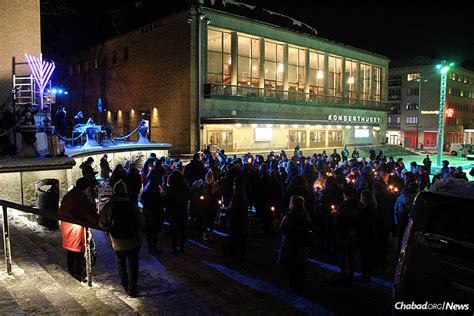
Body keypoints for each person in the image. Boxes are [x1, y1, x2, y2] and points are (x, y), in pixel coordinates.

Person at [99, 180, 145, 297]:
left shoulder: (109, 206)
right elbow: (141, 221)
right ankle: (132, 289)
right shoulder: (131, 205)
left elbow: (101, 222)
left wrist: (109, 228)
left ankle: (125, 285)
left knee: (121, 263)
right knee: (133, 265)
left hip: (117, 241)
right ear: (125, 191)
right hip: (133, 240)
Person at [59, 178, 99, 283]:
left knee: (71, 251)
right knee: (79, 252)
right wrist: (98, 220)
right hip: (77, 229)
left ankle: (72, 270)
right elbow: (90, 215)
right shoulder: (81, 198)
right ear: (86, 188)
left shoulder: (69, 195)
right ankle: (77, 273)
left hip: (67, 227)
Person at [278, 195, 312, 293]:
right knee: (299, 266)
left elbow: (283, 229)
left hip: (291, 244)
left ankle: (293, 286)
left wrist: (277, 223)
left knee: (291, 265)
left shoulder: (290, 216)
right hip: (301, 245)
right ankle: (299, 285)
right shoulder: (305, 215)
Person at [335, 186, 359, 284]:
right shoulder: (358, 204)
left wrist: (335, 215)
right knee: (351, 254)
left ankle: (343, 273)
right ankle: (351, 273)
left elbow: (340, 220)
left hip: (344, 232)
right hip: (353, 232)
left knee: (344, 254)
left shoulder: (344, 206)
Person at [164, 171, 190, 254]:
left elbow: (166, 200)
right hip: (182, 211)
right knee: (182, 230)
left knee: (174, 230)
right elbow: (188, 197)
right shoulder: (184, 187)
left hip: (173, 212)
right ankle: (182, 247)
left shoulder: (170, 188)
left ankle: (174, 248)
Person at [224, 176, 249, 260]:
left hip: (235, 221)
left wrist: (224, 209)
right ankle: (242, 254)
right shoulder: (243, 194)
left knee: (233, 238)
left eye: (234, 184)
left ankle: (233, 255)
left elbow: (233, 209)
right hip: (242, 221)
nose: (233, 185)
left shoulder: (237, 196)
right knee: (242, 238)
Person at [357, 190, 377, 283]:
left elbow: (361, 223)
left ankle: (365, 276)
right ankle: (367, 275)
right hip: (371, 235)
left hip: (365, 235)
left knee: (365, 256)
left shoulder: (366, 210)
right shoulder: (373, 208)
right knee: (368, 256)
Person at [141, 177, 164, 254]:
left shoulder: (146, 192)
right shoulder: (158, 193)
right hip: (156, 214)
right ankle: (154, 247)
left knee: (149, 232)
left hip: (147, 214)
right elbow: (161, 203)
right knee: (155, 232)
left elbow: (142, 200)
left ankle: (150, 247)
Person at [394, 182, 418, 249]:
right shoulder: (417, 198)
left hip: (401, 218)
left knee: (401, 235)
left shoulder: (401, 197)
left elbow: (396, 209)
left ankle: (399, 249)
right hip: (412, 219)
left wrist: (396, 221)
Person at [201, 170, 222, 241]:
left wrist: (218, 204)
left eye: (210, 178)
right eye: (207, 178)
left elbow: (219, 195)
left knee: (211, 221)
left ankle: (210, 233)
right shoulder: (203, 185)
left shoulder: (215, 185)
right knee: (205, 221)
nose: (208, 180)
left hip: (213, 206)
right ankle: (205, 233)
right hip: (205, 206)